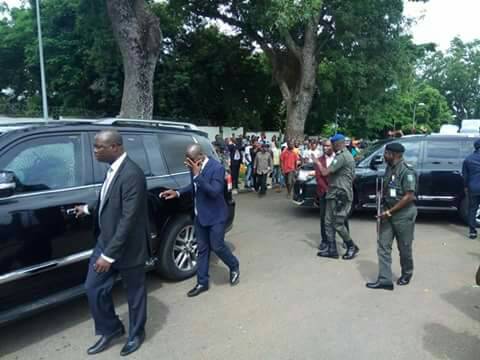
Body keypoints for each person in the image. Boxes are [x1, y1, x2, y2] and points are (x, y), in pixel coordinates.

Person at [74, 130, 150, 356]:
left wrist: (108, 256)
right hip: (106, 240)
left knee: (134, 293)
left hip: (128, 247)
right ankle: (112, 328)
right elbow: (108, 200)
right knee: (93, 287)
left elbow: (129, 219)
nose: (94, 150)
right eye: (95, 146)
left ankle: (136, 334)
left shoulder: (132, 175)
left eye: (99, 147)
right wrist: (88, 209)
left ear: (115, 147)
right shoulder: (112, 170)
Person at [160, 144, 240, 297]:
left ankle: (234, 265)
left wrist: (198, 175)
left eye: (189, 159)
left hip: (216, 216)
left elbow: (215, 192)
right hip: (200, 216)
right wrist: (177, 192)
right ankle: (202, 282)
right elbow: (194, 186)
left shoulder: (216, 168)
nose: (186, 162)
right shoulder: (194, 167)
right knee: (202, 250)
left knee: (217, 246)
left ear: (200, 158)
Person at [367, 143, 417, 290]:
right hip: (387, 213)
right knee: (383, 246)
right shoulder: (389, 167)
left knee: (404, 248)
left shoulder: (406, 171)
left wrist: (390, 212)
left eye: (387, 153)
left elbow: (409, 196)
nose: (384, 156)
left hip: (403, 215)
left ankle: (407, 273)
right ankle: (385, 280)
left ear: (396, 155)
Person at [316, 134, 359, 260]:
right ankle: (332, 249)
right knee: (328, 222)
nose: (330, 147)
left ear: (336, 144)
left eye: (331, 144)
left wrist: (317, 162)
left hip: (341, 195)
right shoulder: (342, 156)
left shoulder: (342, 157)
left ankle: (351, 246)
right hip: (334, 193)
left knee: (338, 223)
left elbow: (325, 172)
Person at [313, 140, 335, 251]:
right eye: (324, 146)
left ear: (333, 146)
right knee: (323, 217)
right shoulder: (319, 160)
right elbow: (318, 177)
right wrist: (327, 190)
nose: (325, 148)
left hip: (337, 192)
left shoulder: (338, 159)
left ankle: (345, 239)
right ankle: (325, 240)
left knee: (340, 217)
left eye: (328, 146)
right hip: (324, 192)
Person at [462, 139, 480, 239]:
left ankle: (472, 232)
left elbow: (465, 177)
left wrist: (465, 187)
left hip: (473, 188)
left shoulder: (468, 159)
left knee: (472, 210)